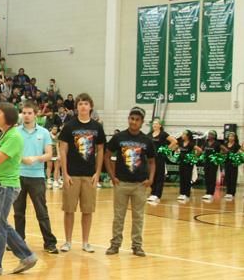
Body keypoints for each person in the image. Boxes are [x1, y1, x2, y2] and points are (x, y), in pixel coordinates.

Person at [0, 103, 38, 275]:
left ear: (7, 117)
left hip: (6, 185)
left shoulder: (14, 137)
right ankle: (27, 256)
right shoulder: (5, 135)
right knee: (1, 224)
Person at [104, 107, 156, 257]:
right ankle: (115, 244)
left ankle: (137, 245)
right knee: (118, 216)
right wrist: (112, 176)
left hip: (140, 185)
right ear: (128, 119)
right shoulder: (119, 137)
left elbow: (152, 161)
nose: (134, 122)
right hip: (121, 183)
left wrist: (151, 178)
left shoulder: (146, 140)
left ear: (142, 122)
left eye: (137, 119)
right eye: (132, 118)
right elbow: (107, 155)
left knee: (138, 217)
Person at [58, 93, 106, 253]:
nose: (83, 106)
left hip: (89, 175)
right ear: (76, 107)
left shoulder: (97, 127)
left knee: (87, 210)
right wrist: (64, 173)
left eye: (86, 103)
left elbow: (100, 150)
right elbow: (63, 149)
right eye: (80, 104)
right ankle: (68, 241)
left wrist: (97, 173)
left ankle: (86, 242)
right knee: (69, 210)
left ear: (90, 106)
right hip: (72, 174)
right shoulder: (69, 126)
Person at [13, 102, 59, 254]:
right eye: (24, 112)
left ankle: (50, 242)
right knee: (18, 211)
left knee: (41, 211)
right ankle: (19, 241)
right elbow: (11, 153)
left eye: (29, 113)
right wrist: (21, 159)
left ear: (35, 114)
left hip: (37, 176)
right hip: (18, 175)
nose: (26, 115)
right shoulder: (16, 132)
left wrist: (35, 158)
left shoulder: (44, 132)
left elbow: (49, 154)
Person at [148, 118, 177, 203]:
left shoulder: (163, 134)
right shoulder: (149, 134)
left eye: (156, 124)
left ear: (160, 125)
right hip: (151, 159)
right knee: (151, 175)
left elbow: (174, 141)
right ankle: (153, 193)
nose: (154, 125)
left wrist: (166, 150)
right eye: (153, 123)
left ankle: (157, 195)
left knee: (159, 176)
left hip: (160, 158)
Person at [176, 130, 201, 202]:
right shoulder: (180, 143)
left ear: (187, 136)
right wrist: (177, 153)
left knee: (187, 178)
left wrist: (193, 157)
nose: (182, 135)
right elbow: (175, 148)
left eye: (184, 134)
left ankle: (186, 195)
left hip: (188, 164)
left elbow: (200, 150)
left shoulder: (191, 144)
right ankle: (181, 193)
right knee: (182, 178)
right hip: (181, 163)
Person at [200, 130, 221, 201]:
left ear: (214, 136)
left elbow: (223, 151)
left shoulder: (217, 144)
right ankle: (207, 192)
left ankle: (211, 193)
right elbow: (201, 150)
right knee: (207, 177)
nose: (209, 135)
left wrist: (218, 158)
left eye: (211, 134)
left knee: (212, 177)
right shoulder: (205, 143)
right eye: (209, 134)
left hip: (213, 163)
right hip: (206, 162)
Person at [221, 132, 241, 200]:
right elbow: (222, 152)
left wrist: (236, 156)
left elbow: (239, 153)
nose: (230, 138)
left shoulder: (236, 145)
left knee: (233, 178)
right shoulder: (225, 144)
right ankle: (228, 192)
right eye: (229, 136)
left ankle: (232, 193)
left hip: (233, 164)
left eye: (232, 136)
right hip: (227, 163)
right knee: (227, 177)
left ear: (235, 138)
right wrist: (223, 154)